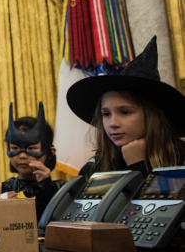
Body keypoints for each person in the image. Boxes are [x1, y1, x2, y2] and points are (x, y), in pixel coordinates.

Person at [67, 36, 185, 178]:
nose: (113, 124)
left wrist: (138, 165)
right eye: (106, 114)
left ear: (153, 115)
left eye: (125, 112)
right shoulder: (95, 167)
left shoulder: (180, 157)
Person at [0, 102, 63, 220]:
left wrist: (47, 188)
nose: (23, 155)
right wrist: (0, 208)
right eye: (15, 148)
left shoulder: (61, 190)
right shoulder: (0, 190)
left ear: (50, 153)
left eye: (32, 148)